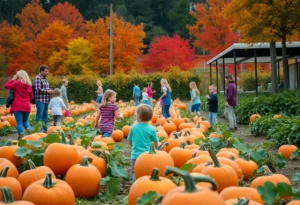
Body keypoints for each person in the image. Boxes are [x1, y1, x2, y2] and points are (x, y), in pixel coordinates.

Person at [127, 104, 158, 181]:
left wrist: (134, 147)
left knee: (136, 172)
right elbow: (155, 143)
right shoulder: (152, 129)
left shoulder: (133, 128)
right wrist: (155, 149)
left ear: (139, 115)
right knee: (147, 172)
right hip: (148, 156)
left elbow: (130, 141)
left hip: (135, 155)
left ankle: (136, 184)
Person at [4, 70, 34, 139]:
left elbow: (6, 86)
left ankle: (21, 136)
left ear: (18, 76)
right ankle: (30, 135)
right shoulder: (29, 86)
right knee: (25, 122)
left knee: (19, 123)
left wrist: (13, 79)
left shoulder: (17, 84)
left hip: (17, 106)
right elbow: (31, 97)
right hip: (27, 106)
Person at [33, 65, 53, 132]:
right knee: (39, 115)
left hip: (46, 99)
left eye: (48, 71)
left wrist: (51, 90)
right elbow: (38, 89)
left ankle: (45, 130)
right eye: (46, 71)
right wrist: (47, 91)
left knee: (45, 115)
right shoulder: (38, 78)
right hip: (40, 100)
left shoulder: (45, 79)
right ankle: (37, 130)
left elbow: (46, 88)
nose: (47, 72)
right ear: (41, 71)